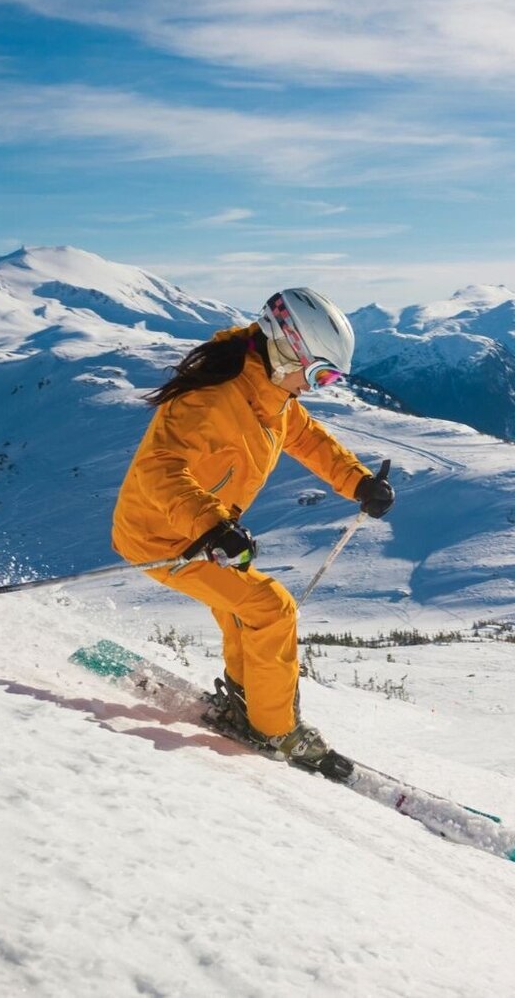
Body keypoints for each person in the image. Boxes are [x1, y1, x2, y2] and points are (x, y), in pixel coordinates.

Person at [111, 287, 395, 779]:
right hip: (163, 536)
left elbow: (305, 437)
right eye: (320, 374)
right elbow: (158, 469)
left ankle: (248, 701)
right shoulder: (211, 398)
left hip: (203, 532)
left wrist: (358, 481)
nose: (318, 387)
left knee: (245, 610)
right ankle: (276, 730)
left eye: (330, 378)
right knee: (272, 608)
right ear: (287, 348)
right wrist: (212, 525)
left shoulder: (269, 391)